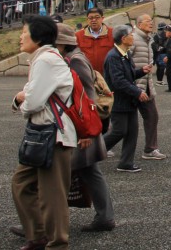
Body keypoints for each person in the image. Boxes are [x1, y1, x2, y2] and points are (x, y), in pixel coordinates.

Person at [11, 16, 77, 249]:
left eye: (24, 32)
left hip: (53, 133)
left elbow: (33, 101)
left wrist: (22, 101)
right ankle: (37, 234)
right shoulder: (43, 58)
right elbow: (32, 94)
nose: (21, 36)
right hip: (45, 132)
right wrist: (22, 99)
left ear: (37, 37)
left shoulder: (45, 60)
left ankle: (56, 242)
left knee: (52, 194)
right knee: (22, 183)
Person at [54, 24, 116, 233]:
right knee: (90, 171)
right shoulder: (74, 57)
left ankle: (40, 224)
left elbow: (86, 97)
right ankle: (105, 217)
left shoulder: (75, 61)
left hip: (81, 128)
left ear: (61, 42)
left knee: (53, 174)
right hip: (82, 127)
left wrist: (86, 132)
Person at [103, 25, 152, 173]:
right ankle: (90, 151)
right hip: (119, 100)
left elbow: (127, 76)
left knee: (132, 132)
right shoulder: (113, 56)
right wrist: (137, 92)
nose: (133, 37)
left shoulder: (125, 54)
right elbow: (118, 81)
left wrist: (140, 72)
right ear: (123, 38)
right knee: (118, 131)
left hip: (129, 100)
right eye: (131, 34)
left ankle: (125, 163)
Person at [131, 14, 166, 160]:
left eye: (151, 21)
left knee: (152, 116)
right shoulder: (132, 39)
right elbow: (123, 61)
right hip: (132, 86)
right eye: (147, 21)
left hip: (146, 86)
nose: (151, 24)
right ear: (139, 24)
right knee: (121, 124)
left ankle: (150, 149)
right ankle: (100, 148)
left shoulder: (148, 40)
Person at [75, 7, 115, 75]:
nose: (93, 20)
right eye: (90, 18)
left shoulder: (112, 33)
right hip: (87, 75)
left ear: (102, 18)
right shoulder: (78, 36)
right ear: (87, 20)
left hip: (108, 74)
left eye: (97, 17)